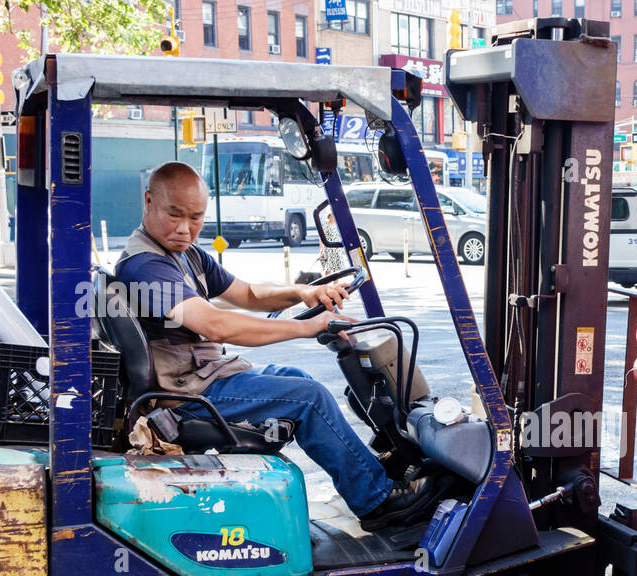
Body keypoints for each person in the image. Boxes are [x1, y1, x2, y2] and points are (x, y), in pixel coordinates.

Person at [114, 161, 432, 528]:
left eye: (196, 218)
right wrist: (307, 328)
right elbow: (216, 325)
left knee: (295, 377)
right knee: (308, 397)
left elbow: (246, 293)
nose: (185, 228)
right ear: (148, 201)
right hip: (184, 397)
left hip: (200, 377)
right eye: (174, 215)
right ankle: (377, 501)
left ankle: (370, 474)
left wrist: (303, 292)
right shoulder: (146, 265)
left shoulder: (185, 254)